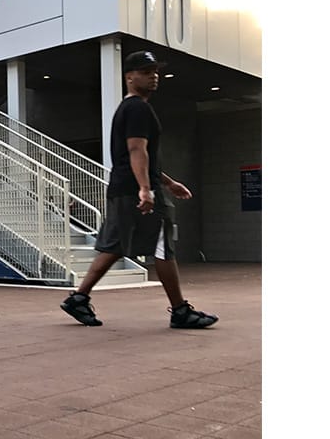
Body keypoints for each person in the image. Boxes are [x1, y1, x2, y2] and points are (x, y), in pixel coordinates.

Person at [60, 50, 218, 329]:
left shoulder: (130, 108)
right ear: (129, 77)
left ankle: (79, 298)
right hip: (136, 190)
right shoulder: (137, 108)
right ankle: (179, 310)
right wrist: (147, 189)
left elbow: (138, 154)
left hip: (129, 187)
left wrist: (167, 182)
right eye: (146, 72)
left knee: (122, 245)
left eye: (155, 71)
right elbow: (136, 149)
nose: (153, 76)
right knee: (152, 247)